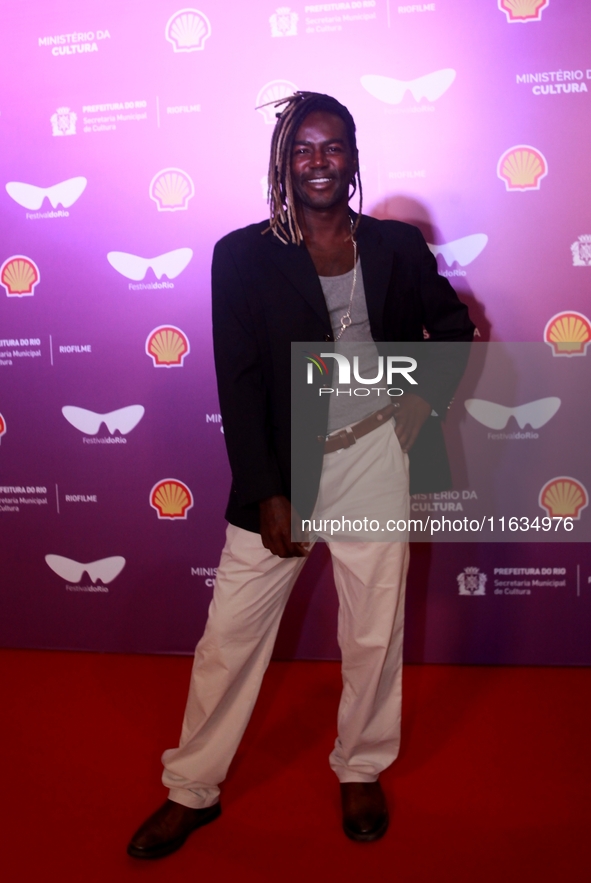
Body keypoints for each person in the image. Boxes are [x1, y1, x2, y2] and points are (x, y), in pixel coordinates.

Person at [127, 91, 474, 859]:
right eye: (302, 148)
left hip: (374, 458)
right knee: (229, 638)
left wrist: (419, 399)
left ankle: (360, 766)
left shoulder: (395, 246)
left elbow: (450, 327)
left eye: (333, 146)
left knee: (374, 630)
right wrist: (266, 490)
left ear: (353, 158)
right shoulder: (241, 254)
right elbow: (239, 380)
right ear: (282, 162)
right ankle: (192, 786)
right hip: (283, 470)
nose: (318, 160)